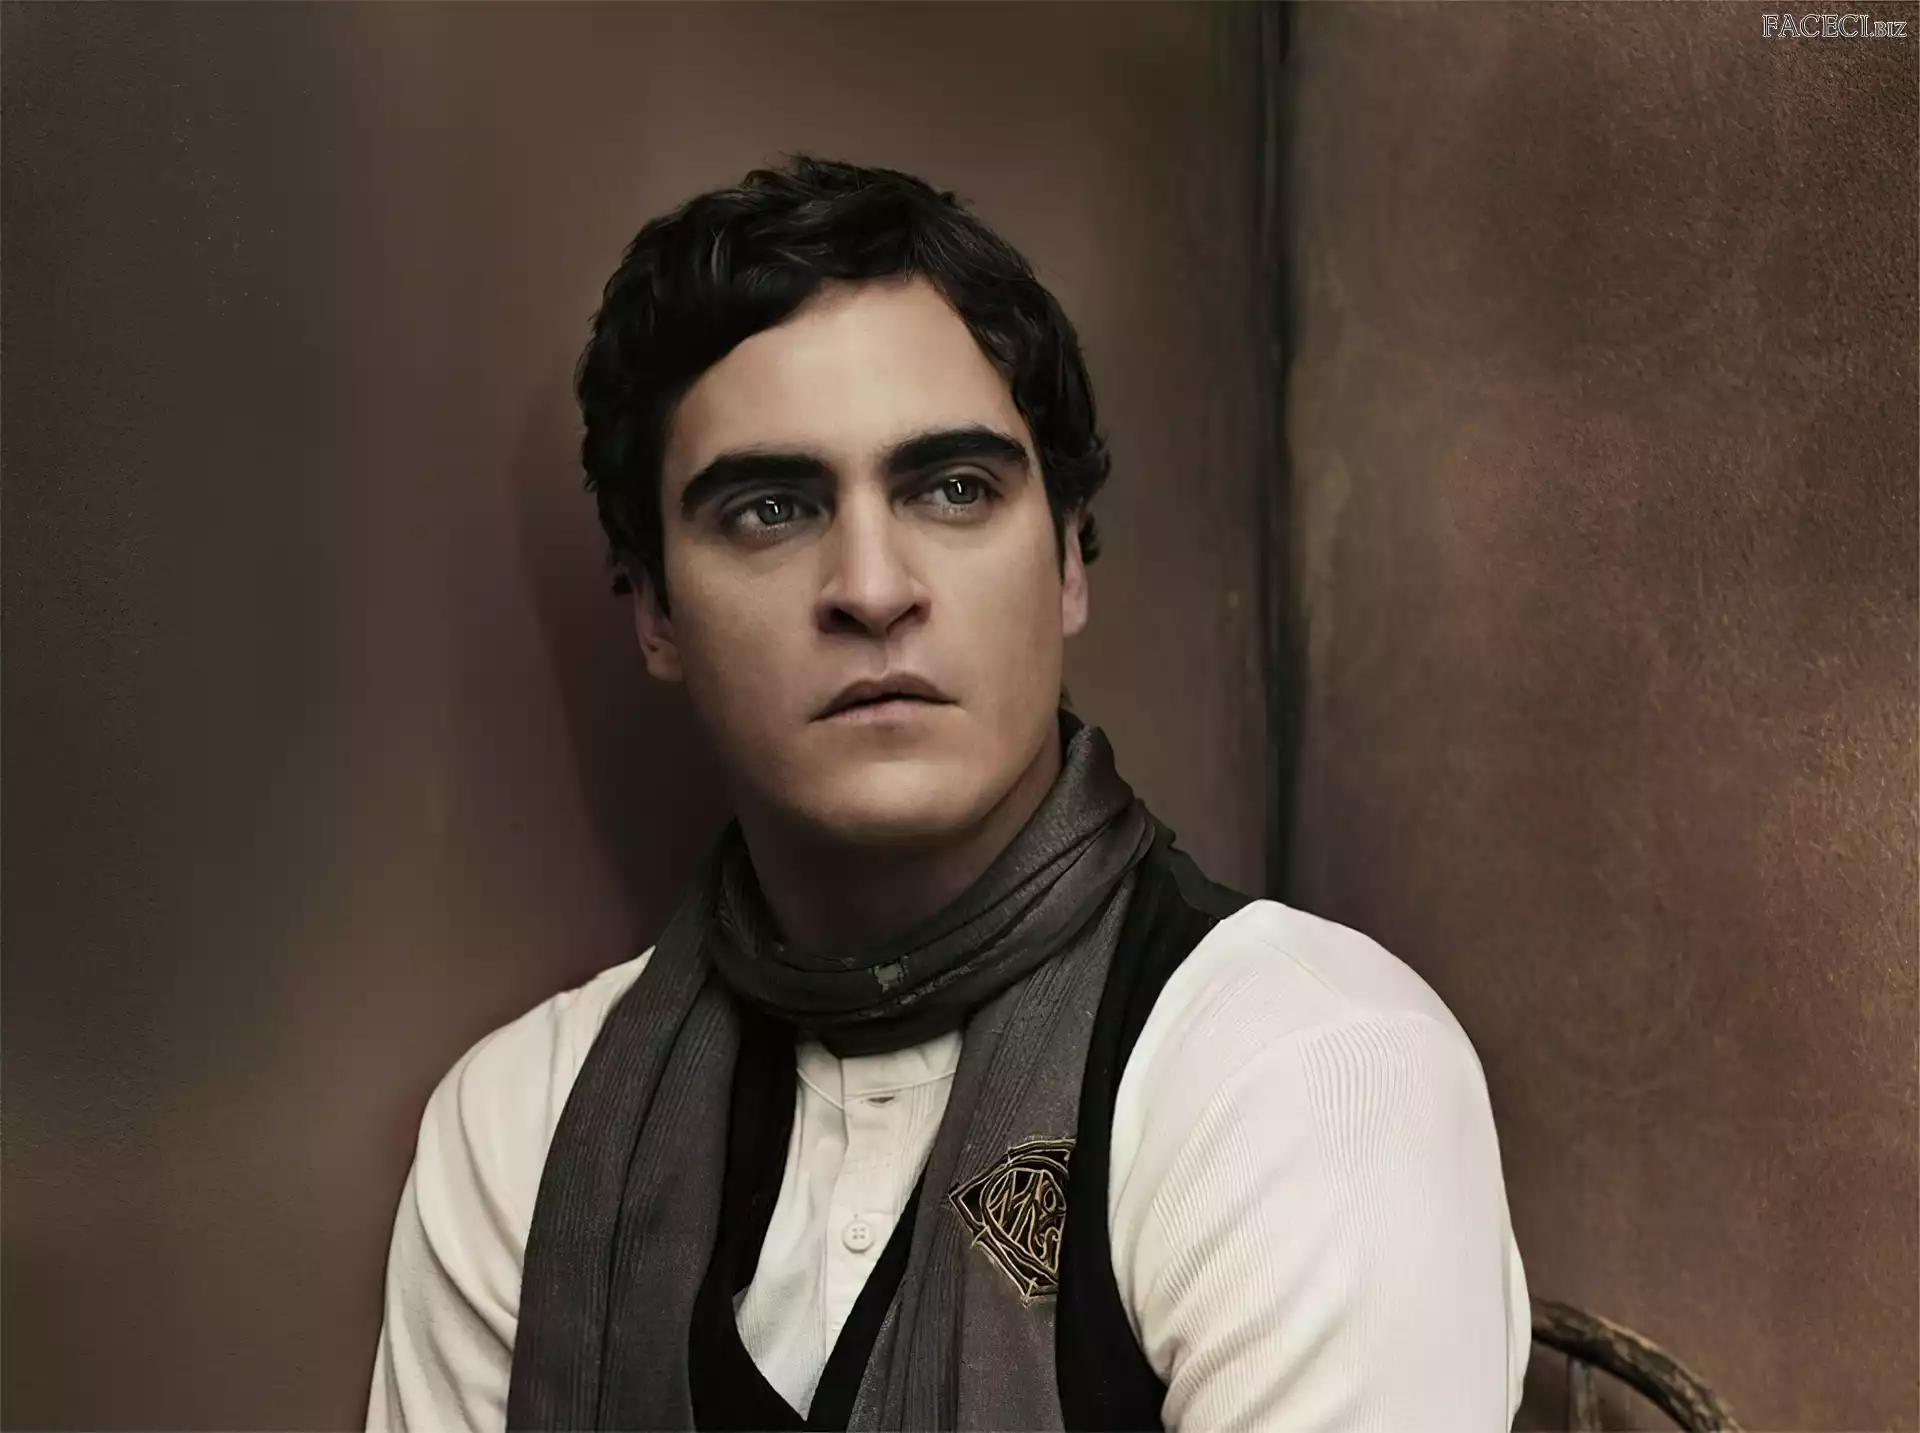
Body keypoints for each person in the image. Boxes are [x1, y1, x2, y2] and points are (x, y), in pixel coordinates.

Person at [365, 155, 1530, 1432]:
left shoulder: (1307, 1070)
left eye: (953, 489)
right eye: (770, 508)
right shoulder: (525, 1125)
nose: (872, 587)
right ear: (656, 609)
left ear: (1068, 559)